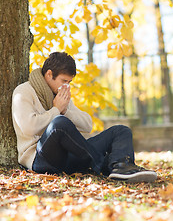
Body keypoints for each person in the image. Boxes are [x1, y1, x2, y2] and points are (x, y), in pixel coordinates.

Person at [12, 52, 157, 182]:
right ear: (49, 74)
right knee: (59, 124)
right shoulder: (24, 91)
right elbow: (28, 128)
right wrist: (56, 110)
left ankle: (122, 166)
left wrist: (64, 110)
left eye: (69, 82)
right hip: (41, 160)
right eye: (64, 81)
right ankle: (105, 165)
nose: (66, 86)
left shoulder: (60, 95)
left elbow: (87, 125)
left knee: (121, 131)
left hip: (69, 158)